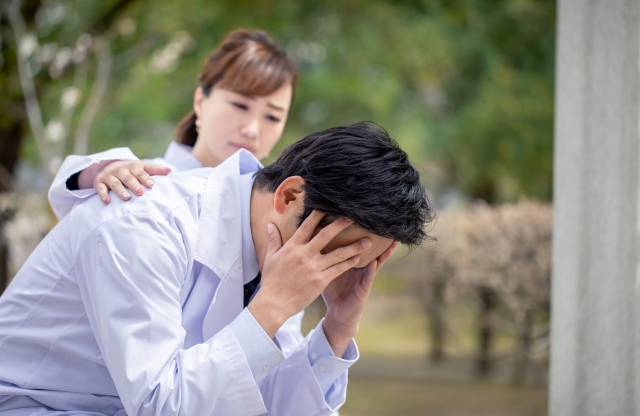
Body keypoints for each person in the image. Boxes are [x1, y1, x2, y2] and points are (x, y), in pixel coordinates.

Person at [0, 122, 433, 415]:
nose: (334, 272)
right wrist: (270, 308)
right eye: (335, 253)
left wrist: (337, 328)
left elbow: (258, 402)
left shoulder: (281, 251)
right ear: (289, 198)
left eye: (357, 261)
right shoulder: (144, 224)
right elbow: (160, 406)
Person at [48, 28, 296, 219]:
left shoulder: (276, 212)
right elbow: (67, 198)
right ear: (201, 102)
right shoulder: (140, 183)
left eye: (273, 117)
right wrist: (96, 176)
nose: (252, 129)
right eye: (240, 105)